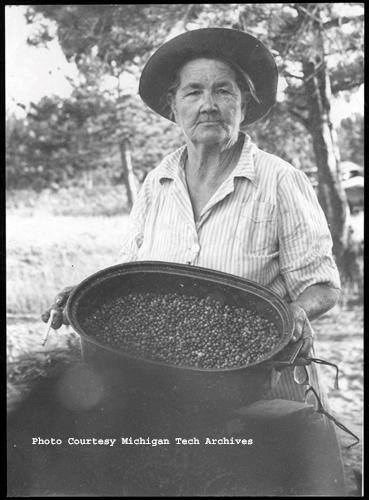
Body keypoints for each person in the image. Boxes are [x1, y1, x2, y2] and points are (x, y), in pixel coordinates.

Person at [40, 27, 347, 494]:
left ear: (244, 105)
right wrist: (81, 294)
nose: (209, 103)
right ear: (174, 107)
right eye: (194, 91)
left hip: (254, 376)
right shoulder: (156, 182)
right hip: (159, 380)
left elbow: (323, 284)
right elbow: (130, 274)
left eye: (223, 90)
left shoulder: (280, 181)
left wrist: (295, 314)